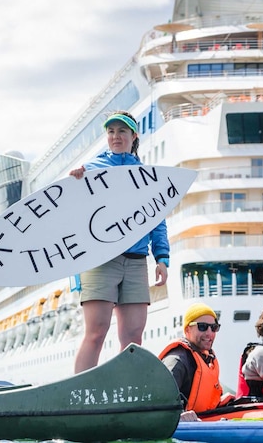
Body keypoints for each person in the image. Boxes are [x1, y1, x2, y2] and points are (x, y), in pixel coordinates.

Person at [69, 111, 170, 373]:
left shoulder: (147, 175)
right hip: (101, 259)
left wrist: (162, 258)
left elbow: (157, 218)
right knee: (96, 332)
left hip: (136, 261)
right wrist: (74, 183)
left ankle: (128, 395)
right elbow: (69, 211)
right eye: (111, 131)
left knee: (133, 339)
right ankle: (79, 395)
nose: (116, 136)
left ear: (134, 135)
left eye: (122, 131)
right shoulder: (90, 169)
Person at [159, 303, 234, 418]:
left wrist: (218, 402)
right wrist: (179, 415)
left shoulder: (206, 358)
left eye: (214, 328)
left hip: (202, 420)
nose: (209, 333)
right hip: (183, 428)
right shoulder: (177, 360)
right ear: (187, 329)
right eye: (202, 327)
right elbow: (160, 399)